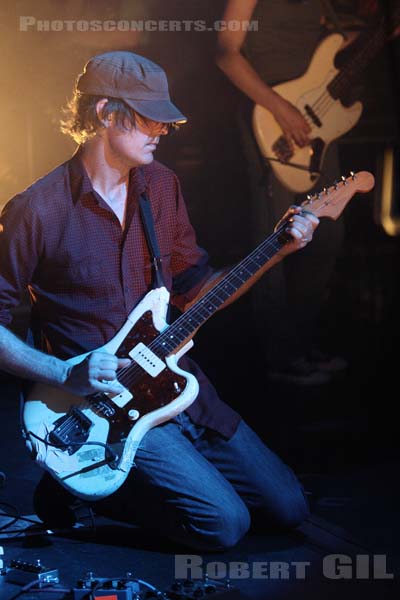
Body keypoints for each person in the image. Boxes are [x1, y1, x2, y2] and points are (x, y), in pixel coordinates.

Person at [0, 51, 319, 551]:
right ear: (106, 113)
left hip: (174, 383)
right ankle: (86, 489)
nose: (162, 129)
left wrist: (277, 251)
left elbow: (196, 290)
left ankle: (147, 474)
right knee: (224, 524)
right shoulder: (35, 210)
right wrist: (63, 374)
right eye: (148, 117)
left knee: (290, 506)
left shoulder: (162, 187)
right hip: (99, 410)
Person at [215, 0, 380, 384]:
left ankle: (300, 345)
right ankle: (280, 357)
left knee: (327, 234)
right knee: (271, 242)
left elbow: (328, 42)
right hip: (271, 119)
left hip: (320, 120)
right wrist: (280, 107)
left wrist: (377, 33)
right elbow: (226, 54)